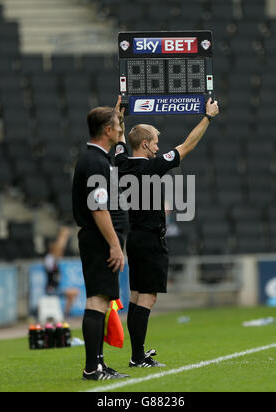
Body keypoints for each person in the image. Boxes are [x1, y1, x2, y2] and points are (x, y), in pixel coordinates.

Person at [115, 97, 219, 368]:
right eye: (155, 143)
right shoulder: (151, 166)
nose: (158, 147)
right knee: (147, 297)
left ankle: (137, 355)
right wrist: (208, 117)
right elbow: (188, 145)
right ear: (146, 145)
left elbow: (119, 142)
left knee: (137, 297)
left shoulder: (122, 162)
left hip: (134, 237)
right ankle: (138, 358)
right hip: (150, 239)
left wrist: (120, 118)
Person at [72, 99, 129, 381]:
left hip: (99, 239)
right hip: (100, 240)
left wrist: (119, 114)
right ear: (107, 130)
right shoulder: (95, 163)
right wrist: (115, 245)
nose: (120, 129)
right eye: (117, 125)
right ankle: (92, 369)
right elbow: (98, 207)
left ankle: (98, 364)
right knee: (96, 301)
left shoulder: (97, 157)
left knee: (102, 301)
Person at [44, 226, 79, 317]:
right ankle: (65, 314)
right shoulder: (49, 259)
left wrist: (63, 237)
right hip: (51, 289)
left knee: (74, 292)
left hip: (56, 287)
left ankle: (66, 313)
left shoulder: (53, 258)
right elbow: (59, 249)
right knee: (73, 292)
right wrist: (62, 236)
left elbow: (59, 250)